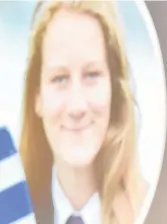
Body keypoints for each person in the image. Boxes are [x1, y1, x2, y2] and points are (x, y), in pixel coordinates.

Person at [19, 1, 147, 223]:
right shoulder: (10, 214)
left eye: (92, 75)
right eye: (59, 78)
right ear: (36, 97)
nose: (77, 106)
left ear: (114, 90)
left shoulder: (161, 209)